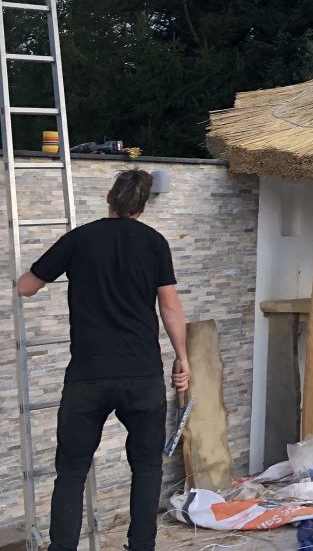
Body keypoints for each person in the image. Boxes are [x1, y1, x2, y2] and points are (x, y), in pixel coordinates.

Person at [17, 168, 190, 551]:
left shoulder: (79, 239)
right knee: (147, 468)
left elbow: (27, 287)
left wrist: (21, 279)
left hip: (87, 376)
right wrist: (182, 358)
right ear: (142, 208)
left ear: (109, 198)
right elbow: (170, 305)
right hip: (142, 376)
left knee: (71, 471)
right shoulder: (155, 243)